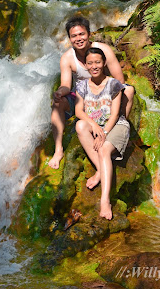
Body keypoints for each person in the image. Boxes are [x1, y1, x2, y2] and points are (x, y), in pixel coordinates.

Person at [48, 16, 134, 169]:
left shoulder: (103, 50)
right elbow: (66, 85)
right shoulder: (67, 58)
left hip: (105, 93)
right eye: (74, 36)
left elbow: (119, 79)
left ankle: (118, 132)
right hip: (83, 96)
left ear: (89, 34)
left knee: (128, 90)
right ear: (69, 38)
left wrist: (107, 97)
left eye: (82, 34)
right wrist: (59, 93)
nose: (78, 38)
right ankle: (58, 149)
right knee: (57, 103)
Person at [75, 47, 130, 220]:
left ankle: (105, 200)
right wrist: (95, 127)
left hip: (115, 125)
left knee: (104, 150)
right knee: (80, 126)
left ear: (104, 63)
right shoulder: (81, 85)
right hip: (96, 125)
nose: (94, 66)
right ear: (85, 65)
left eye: (97, 62)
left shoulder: (113, 84)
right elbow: (78, 111)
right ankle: (101, 169)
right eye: (90, 63)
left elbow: (114, 114)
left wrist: (104, 132)